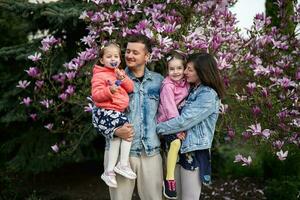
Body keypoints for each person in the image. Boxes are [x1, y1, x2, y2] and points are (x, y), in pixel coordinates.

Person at [100, 35, 164, 200]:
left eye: (135, 52)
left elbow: (167, 113)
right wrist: (114, 131)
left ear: (147, 56)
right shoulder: (111, 79)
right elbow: (97, 114)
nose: (129, 55)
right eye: (127, 51)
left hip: (150, 152)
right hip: (120, 153)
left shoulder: (159, 81)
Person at [157, 52, 225, 200]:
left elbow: (184, 121)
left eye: (189, 69)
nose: (185, 72)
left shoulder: (207, 95)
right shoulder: (191, 89)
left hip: (193, 153)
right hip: (179, 150)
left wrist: (158, 129)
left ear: (202, 72)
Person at [91, 42, 136, 188]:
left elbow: (130, 88)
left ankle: (109, 171)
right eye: (109, 56)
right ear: (102, 60)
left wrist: (123, 78)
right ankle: (122, 164)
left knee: (117, 137)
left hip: (115, 111)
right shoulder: (99, 75)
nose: (113, 59)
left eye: (116, 56)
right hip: (106, 111)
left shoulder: (118, 72)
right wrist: (109, 90)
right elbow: (96, 96)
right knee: (128, 133)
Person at [157, 51, 190, 199]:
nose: (175, 72)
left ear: (184, 69)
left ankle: (173, 165)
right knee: (176, 142)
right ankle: (169, 178)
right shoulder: (167, 86)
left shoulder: (186, 83)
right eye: (171, 69)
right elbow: (170, 109)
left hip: (178, 121)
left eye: (178, 68)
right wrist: (178, 130)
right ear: (167, 70)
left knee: (176, 148)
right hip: (167, 122)